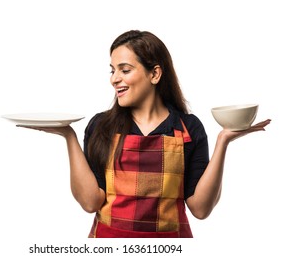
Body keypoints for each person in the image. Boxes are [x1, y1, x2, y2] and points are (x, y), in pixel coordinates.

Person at [18, 30, 271, 238]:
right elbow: (90, 203)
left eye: (125, 70)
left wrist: (223, 141)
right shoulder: (101, 126)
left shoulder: (188, 128)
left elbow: (201, 209)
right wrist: (69, 137)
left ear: (155, 74)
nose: (114, 79)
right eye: (112, 70)